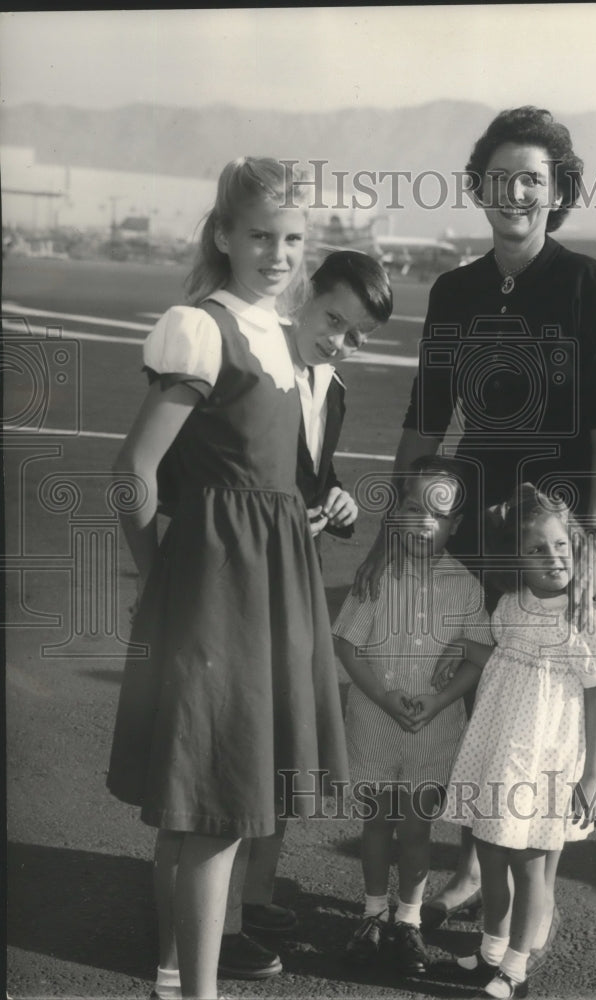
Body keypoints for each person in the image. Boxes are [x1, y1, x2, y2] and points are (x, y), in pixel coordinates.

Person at [353, 105, 596, 961]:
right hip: (478, 513)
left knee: (548, 696)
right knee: (478, 689)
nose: (514, 192)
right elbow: (426, 414)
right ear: (477, 186)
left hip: (559, 527)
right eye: (500, 176)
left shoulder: (585, 284)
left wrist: (592, 538)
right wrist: (390, 521)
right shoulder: (456, 290)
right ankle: (475, 867)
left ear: (556, 196)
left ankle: (528, 888)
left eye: (533, 179)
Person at [106, 156, 348, 1000]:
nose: (278, 254)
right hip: (214, 590)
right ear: (223, 235)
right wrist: (155, 576)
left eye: (292, 238)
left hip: (270, 587)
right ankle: (197, 993)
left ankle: (173, 976)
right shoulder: (202, 327)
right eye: (259, 236)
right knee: (213, 810)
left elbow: (270, 478)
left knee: (198, 807)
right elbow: (134, 471)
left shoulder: (284, 338)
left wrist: (299, 513)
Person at [219, 251, 394, 976]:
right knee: (236, 753)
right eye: (332, 319)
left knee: (281, 745)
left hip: (294, 580)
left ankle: (252, 899)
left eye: (356, 334)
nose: (338, 340)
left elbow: (310, 479)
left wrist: (341, 502)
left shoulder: (333, 387)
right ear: (305, 295)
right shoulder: (257, 370)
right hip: (240, 585)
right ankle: (218, 927)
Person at [442, 484, 596, 999]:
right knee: (491, 855)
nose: (553, 558)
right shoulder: (511, 606)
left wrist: (592, 777)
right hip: (499, 751)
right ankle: (492, 949)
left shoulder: (584, 617)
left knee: (530, 866)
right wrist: (447, 655)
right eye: (538, 549)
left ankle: (516, 968)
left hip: (547, 760)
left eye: (560, 546)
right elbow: (489, 659)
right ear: (516, 558)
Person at [333, 457, 494, 976]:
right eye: (411, 507)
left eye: (438, 512)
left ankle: (408, 921)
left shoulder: (467, 586)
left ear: (456, 525)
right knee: (376, 822)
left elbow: (477, 656)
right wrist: (383, 698)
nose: (424, 520)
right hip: (375, 720)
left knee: (418, 829)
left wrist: (439, 703)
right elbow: (347, 646)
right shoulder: (375, 576)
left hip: (435, 728)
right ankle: (372, 914)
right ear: (394, 517)